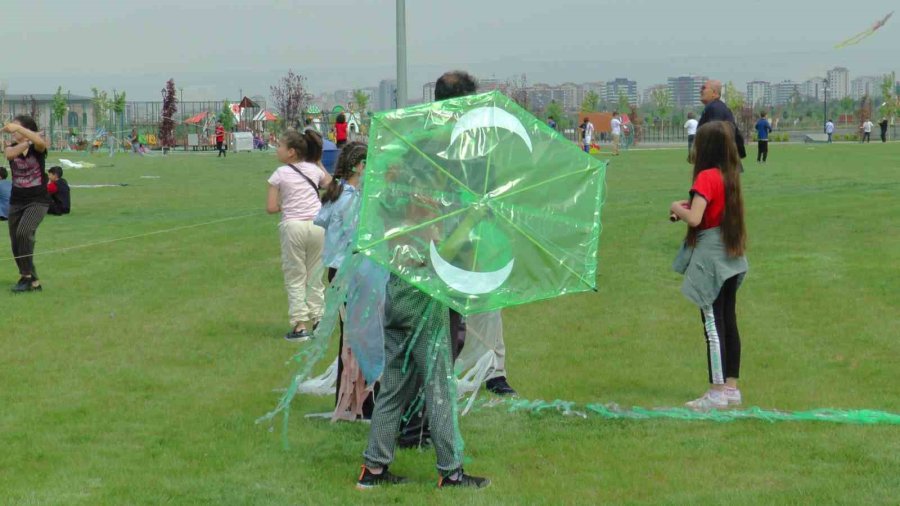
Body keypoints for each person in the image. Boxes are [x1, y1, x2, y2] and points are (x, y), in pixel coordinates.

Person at [358, 70, 489, 490]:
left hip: (399, 282)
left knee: (395, 381)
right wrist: (473, 215)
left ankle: (373, 469)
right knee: (438, 382)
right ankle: (451, 471)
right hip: (423, 285)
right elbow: (440, 244)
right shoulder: (442, 156)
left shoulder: (411, 149)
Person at [669, 121, 748, 411]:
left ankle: (716, 392)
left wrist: (676, 207)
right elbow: (710, 211)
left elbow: (696, 219)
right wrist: (689, 208)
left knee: (713, 324)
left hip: (712, 259)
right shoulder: (729, 176)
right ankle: (731, 388)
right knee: (729, 321)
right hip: (731, 255)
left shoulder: (705, 177)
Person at [315, 141, 378, 420]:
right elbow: (360, 236)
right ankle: (359, 402)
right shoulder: (351, 198)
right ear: (359, 166)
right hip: (351, 272)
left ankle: (352, 397)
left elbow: (322, 220)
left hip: (338, 271)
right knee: (358, 336)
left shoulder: (337, 193)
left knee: (351, 336)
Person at [267, 129, 332, 341]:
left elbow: (271, 207)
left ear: (292, 152)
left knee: (295, 275)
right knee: (315, 274)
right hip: (317, 225)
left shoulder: (279, 174)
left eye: (280, 146)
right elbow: (331, 186)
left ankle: (300, 326)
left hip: (293, 226)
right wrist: (319, 163)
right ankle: (320, 320)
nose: (277, 149)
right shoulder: (314, 169)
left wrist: (284, 205)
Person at [4, 115, 50, 293]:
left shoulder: (38, 148)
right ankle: (33, 281)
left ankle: (26, 277)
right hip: (16, 201)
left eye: (17, 128)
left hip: (37, 201)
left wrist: (25, 133)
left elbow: (40, 143)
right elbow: (9, 154)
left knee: (24, 233)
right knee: (16, 241)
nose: (12, 131)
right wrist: (28, 139)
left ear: (26, 129)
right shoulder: (10, 147)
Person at [697, 80, 747, 159]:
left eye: (703, 88)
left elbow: (715, 137)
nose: (700, 90)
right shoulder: (717, 107)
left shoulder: (715, 108)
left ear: (714, 93)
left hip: (718, 163)